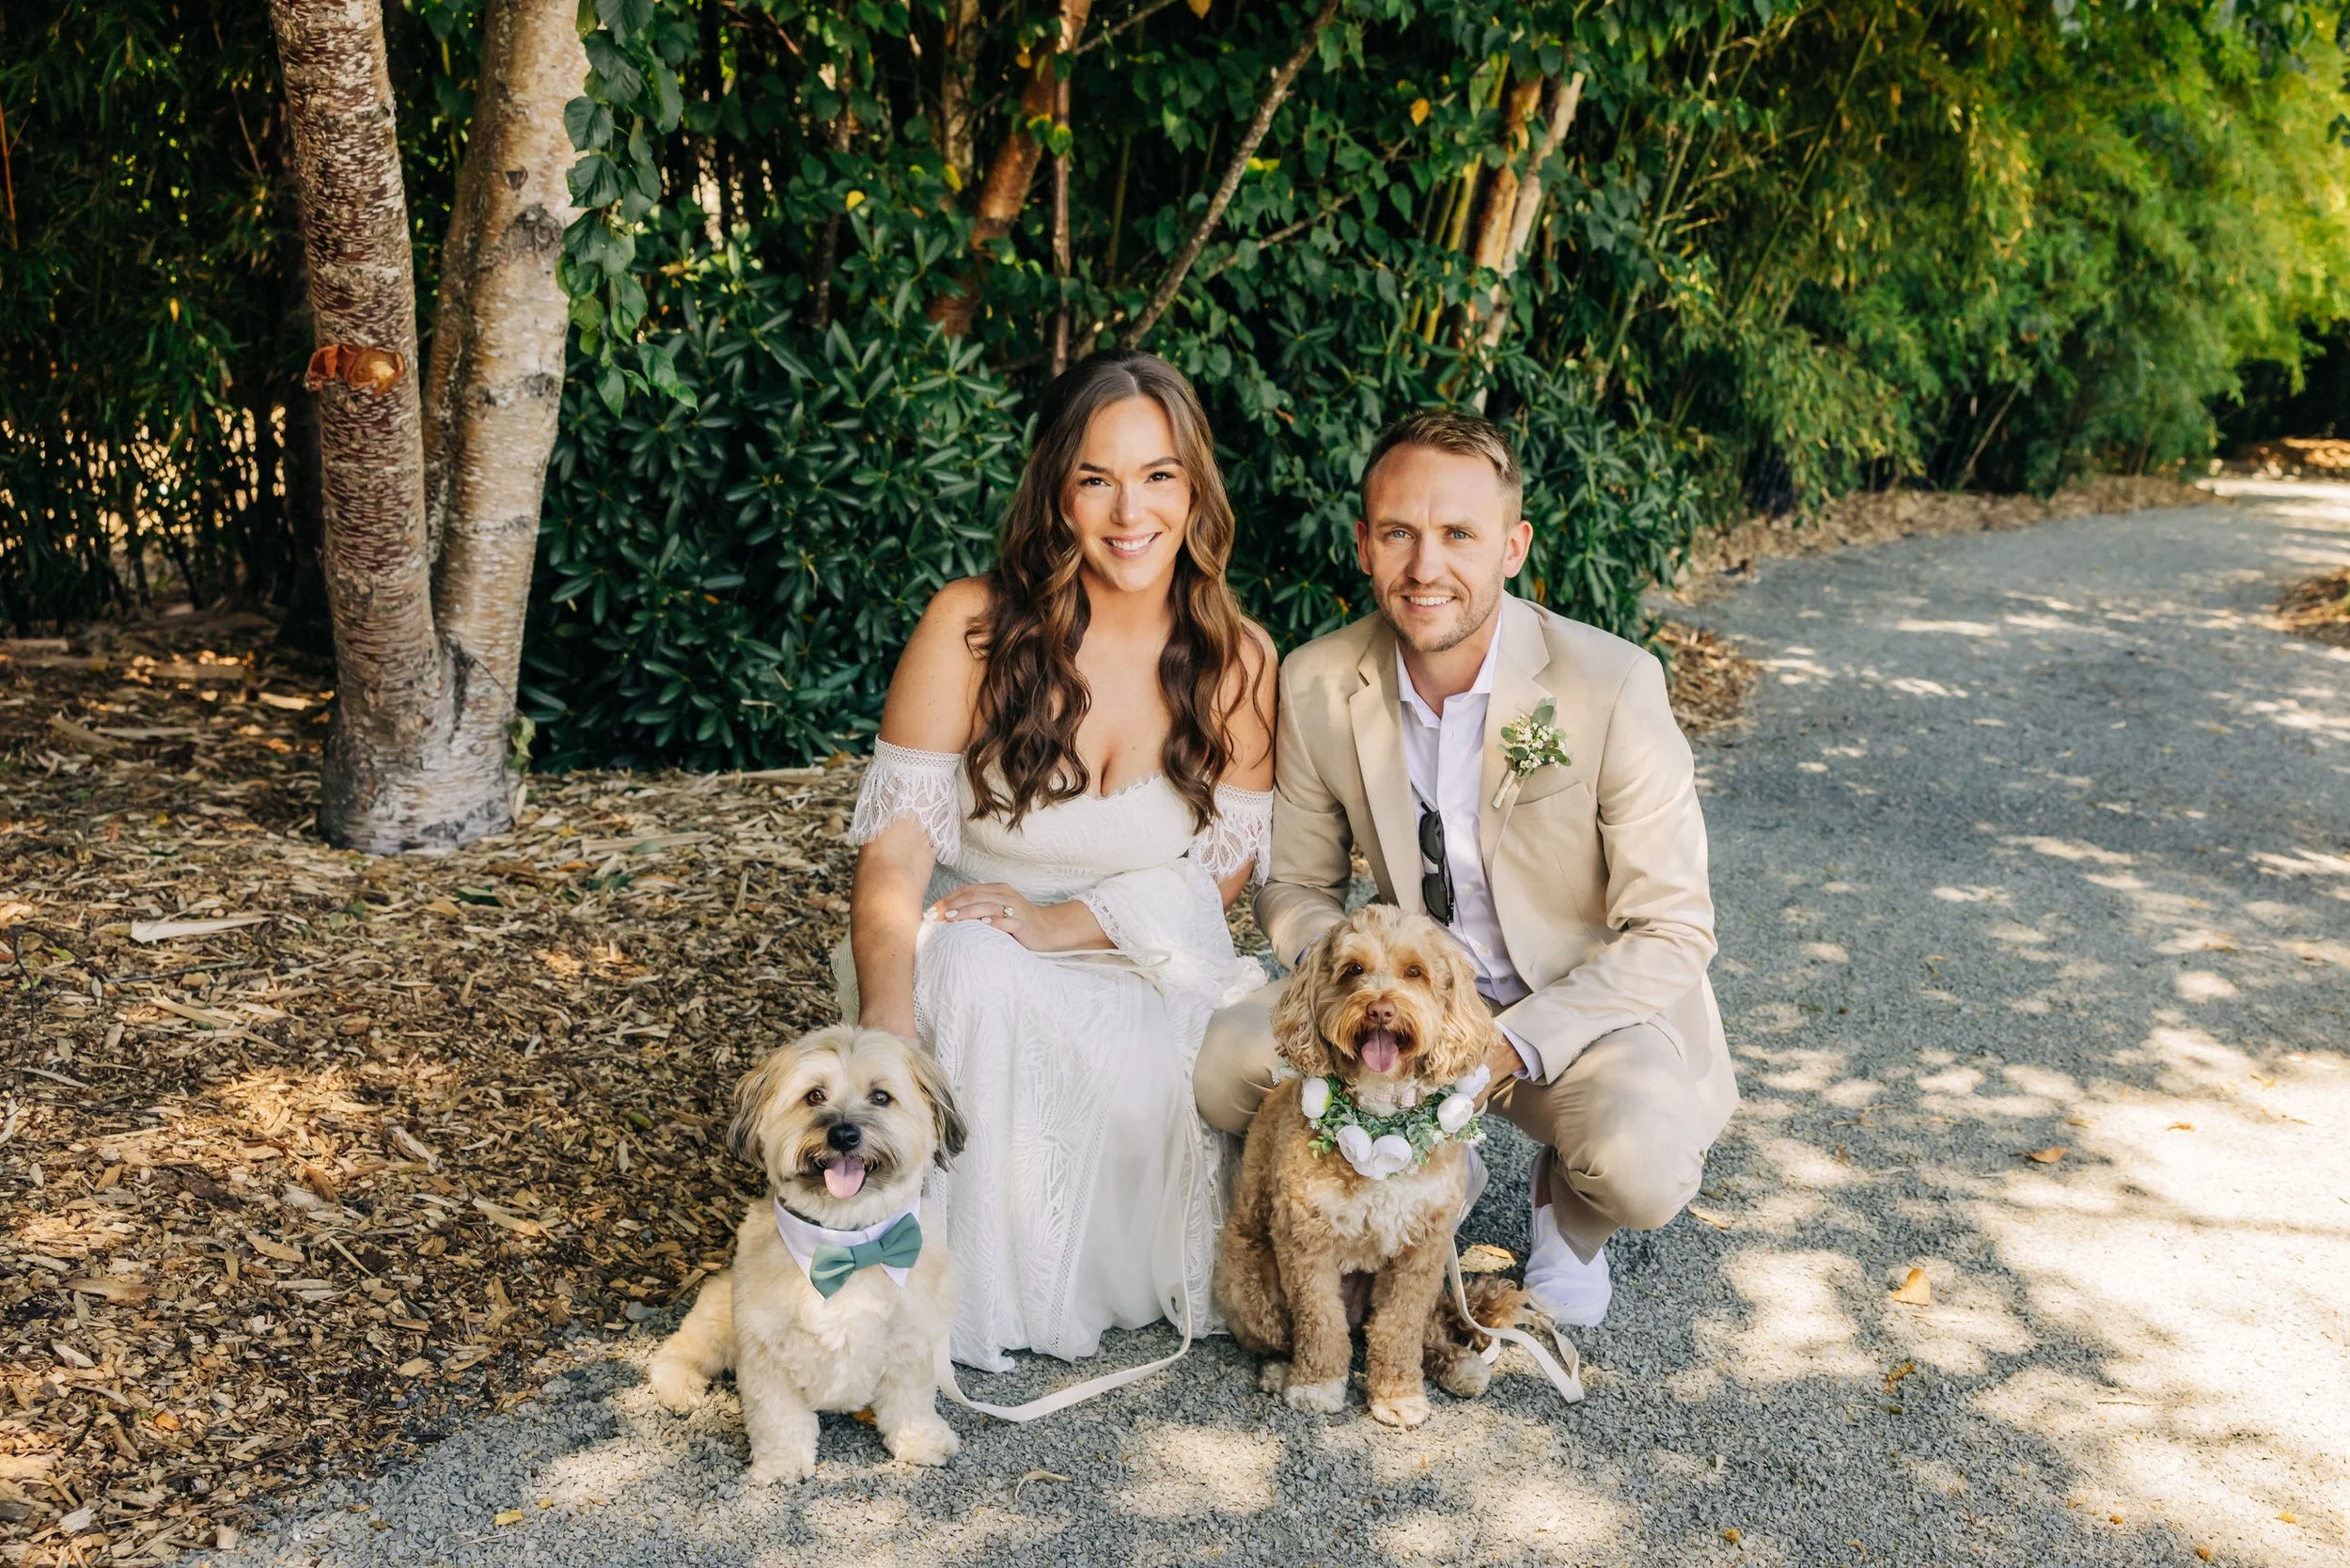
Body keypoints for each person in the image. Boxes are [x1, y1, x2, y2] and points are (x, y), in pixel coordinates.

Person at [1194, 409, 1737, 1327]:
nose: (1425, 566)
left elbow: (1674, 929)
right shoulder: (1318, 678)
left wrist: (1506, 1047)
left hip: (1575, 1017)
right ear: (1363, 544)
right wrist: (1353, 978)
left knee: (1640, 1167)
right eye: (1398, 533)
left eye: (1458, 535)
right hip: (1398, 1010)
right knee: (1225, 1068)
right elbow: (1295, 885)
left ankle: (1566, 1210)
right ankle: (1428, 1163)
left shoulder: (1611, 683)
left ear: (1512, 546)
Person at [844, 349, 1277, 1373]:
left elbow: (1220, 876)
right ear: (1056, 491)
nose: (1131, 511)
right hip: (957, 963)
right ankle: (943, 1303)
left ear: (1194, 488)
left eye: (1159, 475)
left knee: (1029, 975)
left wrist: (1062, 925)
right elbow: (897, 851)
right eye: (1096, 478)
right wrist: (885, 1042)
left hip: (1136, 971)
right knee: (972, 965)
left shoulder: (1239, 661)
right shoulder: (973, 627)